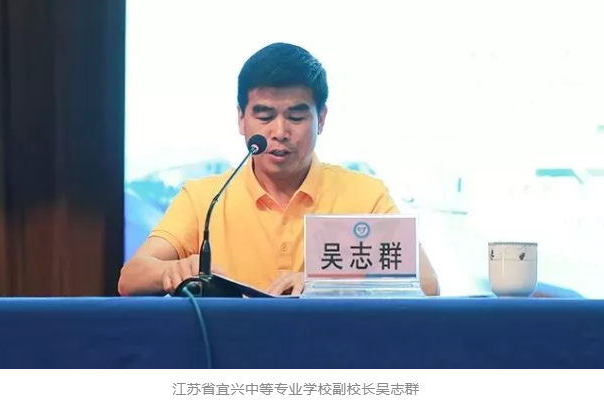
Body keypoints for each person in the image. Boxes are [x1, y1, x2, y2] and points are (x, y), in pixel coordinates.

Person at [118, 43, 440, 296]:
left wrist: (325, 284)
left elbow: (426, 283)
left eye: (296, 117)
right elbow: (131, 278)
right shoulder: (205, 198)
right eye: (265, 116)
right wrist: (173, 270)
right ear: (241, 119)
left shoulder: (365, 195)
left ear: (321, 119)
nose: (280, 132)